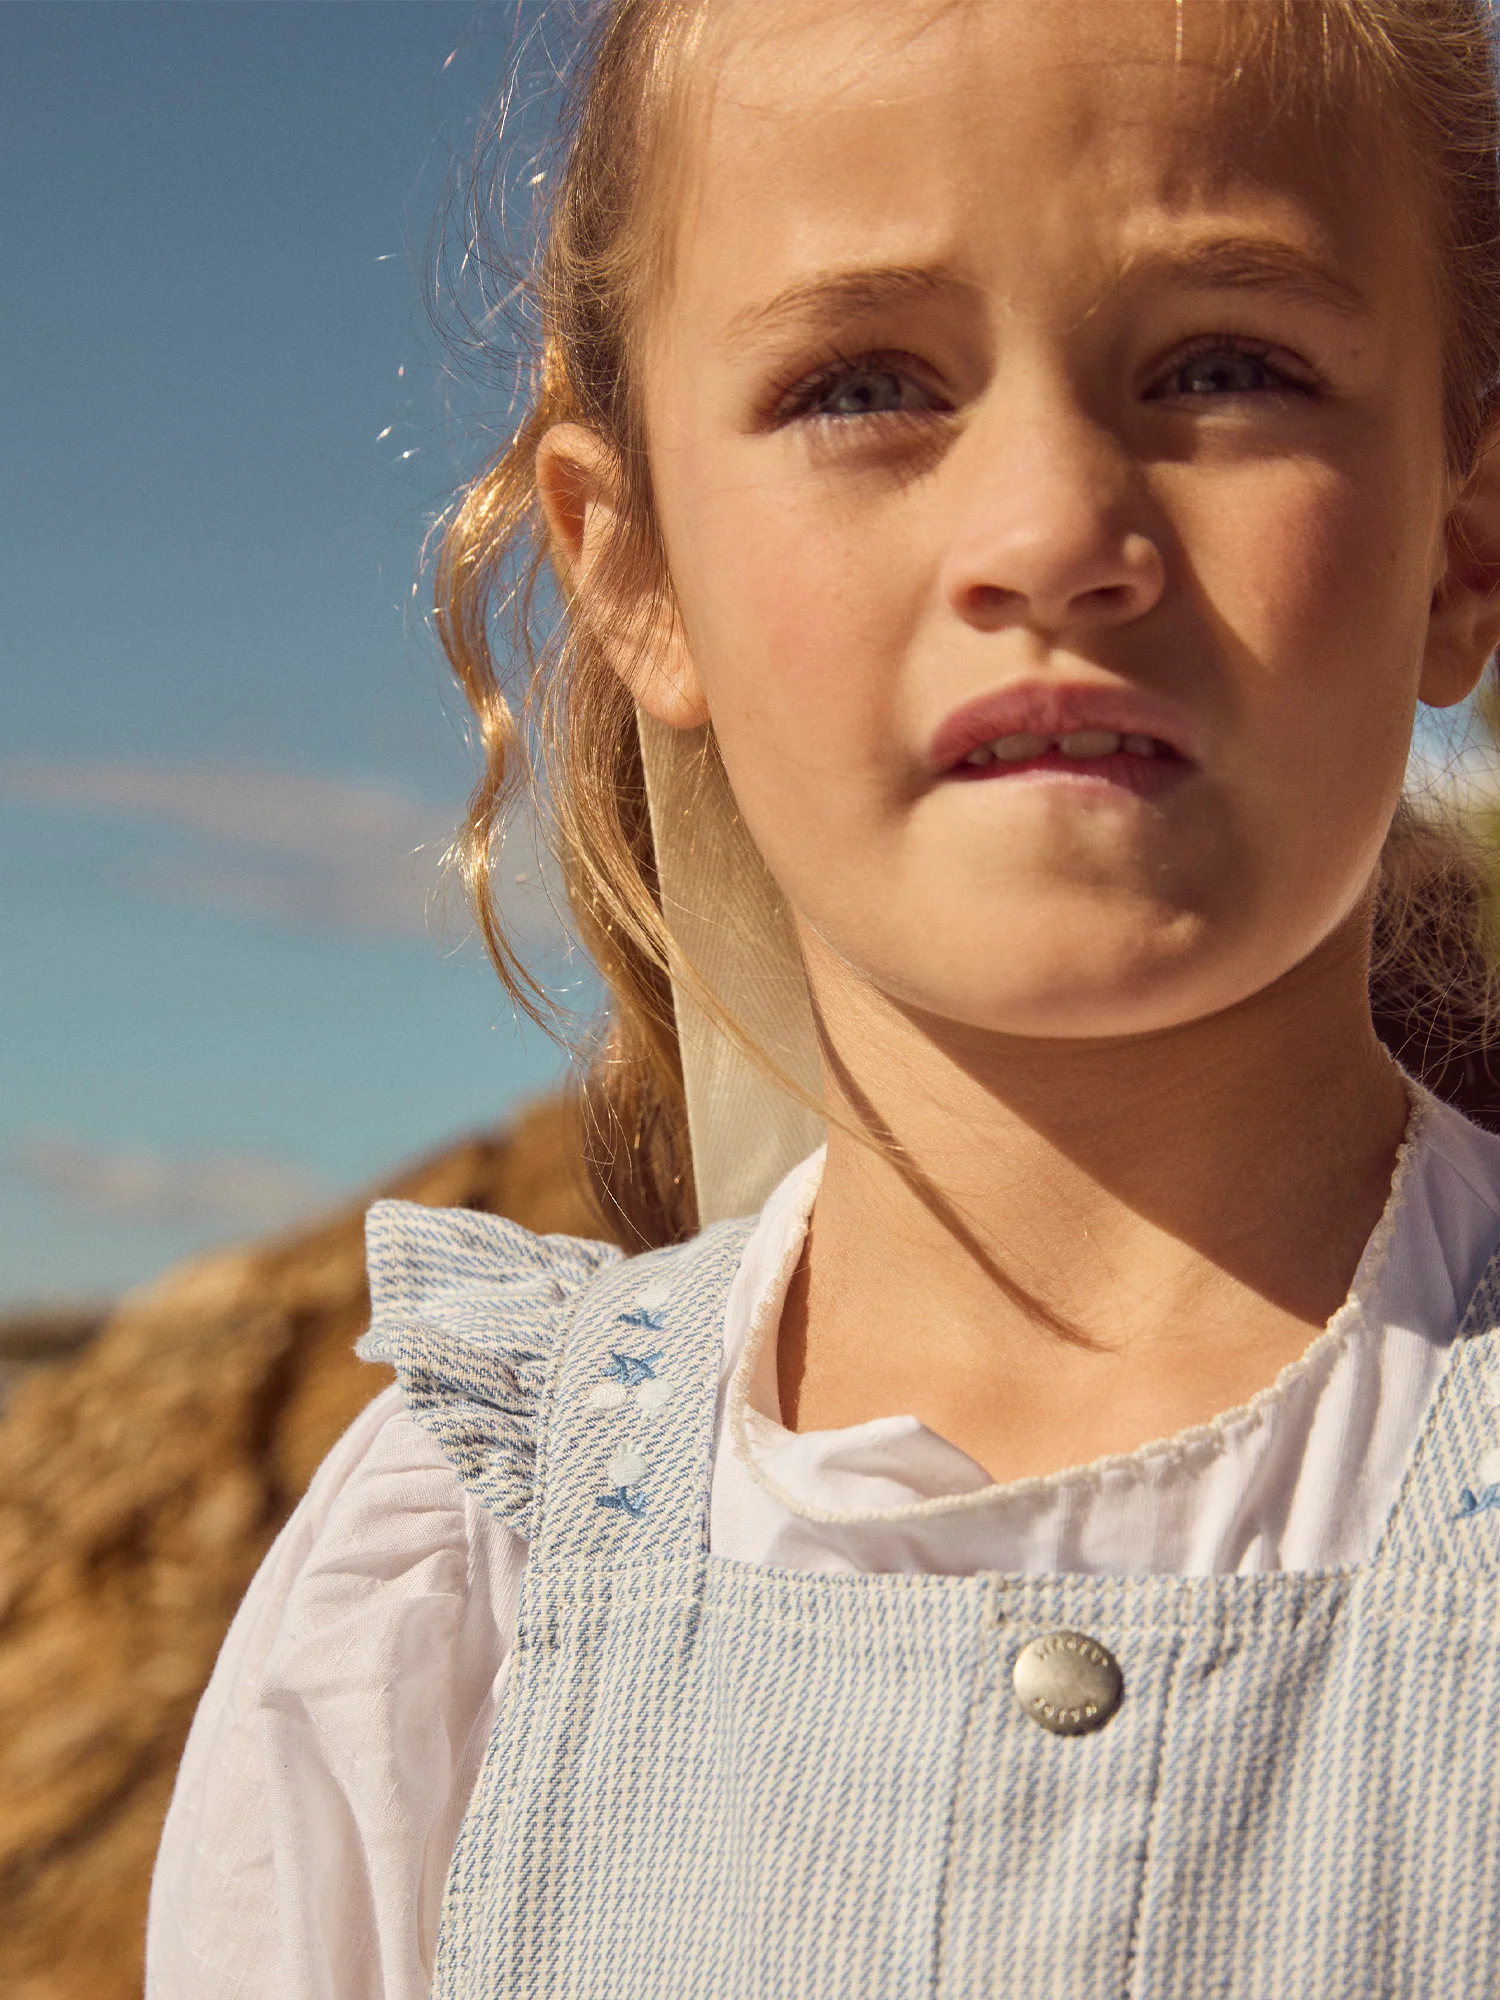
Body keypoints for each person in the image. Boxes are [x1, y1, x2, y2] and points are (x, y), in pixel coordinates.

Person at [147, 0, 1500, 1992]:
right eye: (865, 383)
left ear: (1465, 541)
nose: (1050, 532)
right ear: (639, 575)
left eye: (1227, 365)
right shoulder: (453, 1590)